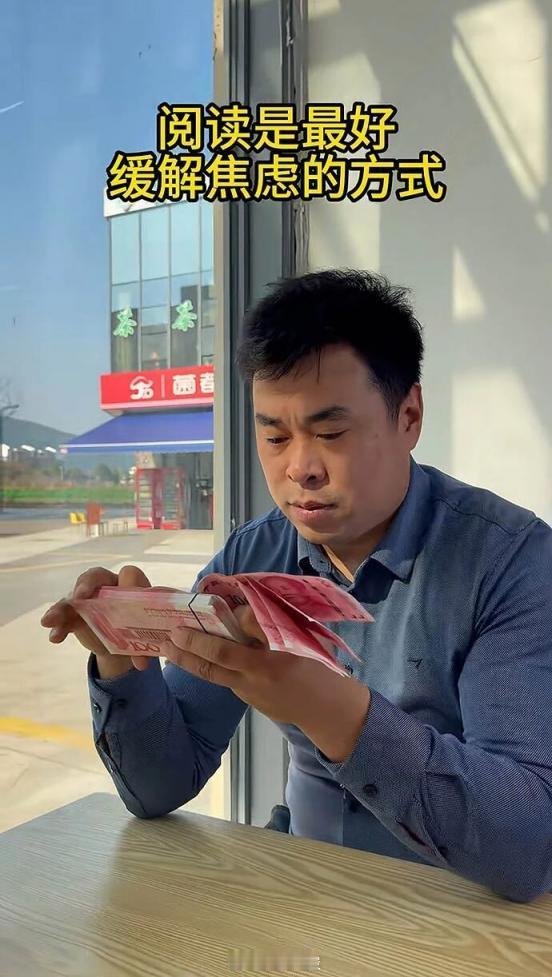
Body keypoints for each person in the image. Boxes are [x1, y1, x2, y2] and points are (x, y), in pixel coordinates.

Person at [42, 269, 552, 903]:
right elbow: (159, 787)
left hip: (457, 913)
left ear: (409, 416)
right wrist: (122, 663)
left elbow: (528, 846)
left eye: (330, 434)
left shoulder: (510, 562)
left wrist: (333, 712)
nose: (299, 469)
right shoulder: (254, 555)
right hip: (301, 890)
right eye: (274, 437)